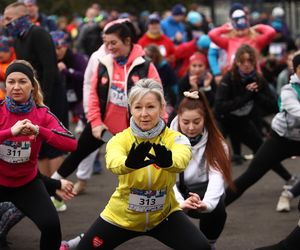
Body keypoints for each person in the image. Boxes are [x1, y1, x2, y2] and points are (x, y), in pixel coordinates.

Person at [76, 78, 210, 250]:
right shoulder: (120, 139)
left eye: (151, 107)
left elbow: (181, 160)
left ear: (162, 108)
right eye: (138, 107)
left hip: (163, 216)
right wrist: (129, 163)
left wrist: (168, 162)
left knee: (202, 248)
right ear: (130, 109)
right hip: (121, 216)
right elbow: (113, 162)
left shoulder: (177, 138)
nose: (144, 113)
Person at [51, 22, 161, 191]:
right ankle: (49, 187)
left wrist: (158, 128)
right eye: (106, 43)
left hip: (133, 131)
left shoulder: (145, 66)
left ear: (127, 41)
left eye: (113, 43)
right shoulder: (104, 63)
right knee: (76, 154)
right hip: (102, 126)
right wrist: (95, 122)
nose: (109, 47)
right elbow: (94, 95)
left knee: (135, 173)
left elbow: (158, 99)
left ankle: (139, 208)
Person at [0, 59, 77, 249]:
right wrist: (11, 132)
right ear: (5, 85)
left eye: (22, 81)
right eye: (11, 82)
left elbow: (71, 143)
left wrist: (39, 131)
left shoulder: (42, 114)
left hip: (26, 184)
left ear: (32, 86)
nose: (16, 87)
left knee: (51, 226)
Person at [224, 53, 300, 207]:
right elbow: (297, 111)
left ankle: (290, 194)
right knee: (250, 176)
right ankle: (213, 208)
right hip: (280, 139)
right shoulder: (288, 90)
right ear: (296, 70)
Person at [3, 2, 69, 177]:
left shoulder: (38, 34)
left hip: (49, 95)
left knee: (52, 145)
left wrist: (42, 101)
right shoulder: (18, 39)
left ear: (23, 17)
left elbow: (50, 69)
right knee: (37, 143)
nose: (5, 23)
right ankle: (46, 189)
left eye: (9, 19)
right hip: (32, 97)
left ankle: (57, 192)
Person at [215, 44, 294, 186]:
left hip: (243, 122)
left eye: (250, 61)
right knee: (215, 152)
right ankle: (208, 187)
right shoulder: (229, 78)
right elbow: (220, 107)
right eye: (242, 61)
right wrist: (247, 96)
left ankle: (289, 178)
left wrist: (256, 95)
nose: (246, 65)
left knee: (265, 152)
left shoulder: (257, 79)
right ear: (237, 62)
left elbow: (273, 105)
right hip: (224, 121)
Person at [170, 90, 233, 250]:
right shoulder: (166, 141)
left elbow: (217, 178)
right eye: (185, 122)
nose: (191, 127)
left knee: (218, 208)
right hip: (174, 190)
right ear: (178, 119)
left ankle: (210, 244)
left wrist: (207, 204)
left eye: (196, 122)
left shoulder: (218, 144)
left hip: (203, 192)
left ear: (205, 120)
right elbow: (165, 178)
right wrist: (180, 203)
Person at [0, 173, 75, 249]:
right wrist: (56, 184)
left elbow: (31, 170)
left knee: (50, 224)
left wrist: (55, 186)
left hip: (24, 183)